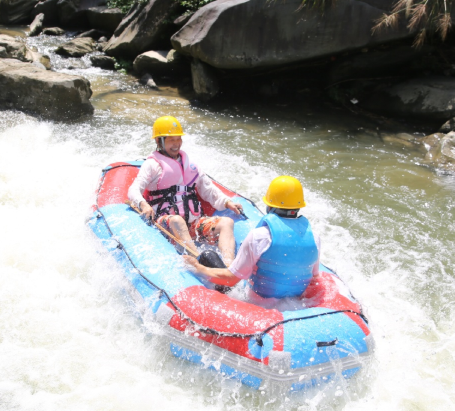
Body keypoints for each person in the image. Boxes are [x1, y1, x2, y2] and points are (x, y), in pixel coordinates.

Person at [129, 115, 243, 263]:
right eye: (171, 140)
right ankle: (200, 262)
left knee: (227, 222)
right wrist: (143, 204)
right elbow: (133, 189)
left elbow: (208, 190)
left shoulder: (191, 165)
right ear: (159, 141)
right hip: (167, 224)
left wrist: (227, 202)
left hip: (194, 224)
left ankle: (228, 268)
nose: (177, 144)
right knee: (177, 220)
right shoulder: (152, 165)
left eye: (179, 139)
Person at [183, 175, 320, 298]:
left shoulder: (260, 236)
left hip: (257, 304)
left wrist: (199, 268)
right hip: (294, 303)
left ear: (269, 206)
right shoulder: (315, 236)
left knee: (208, 256)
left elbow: (231, 279)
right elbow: (313, 277)